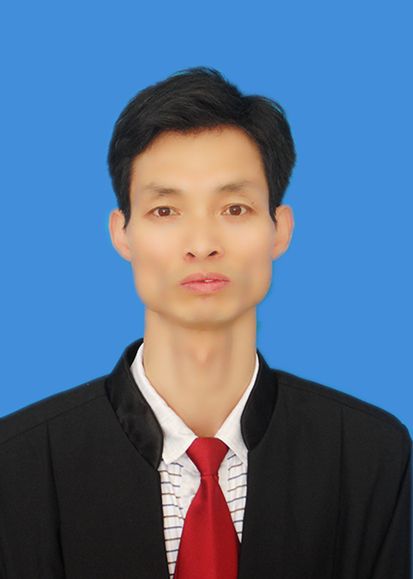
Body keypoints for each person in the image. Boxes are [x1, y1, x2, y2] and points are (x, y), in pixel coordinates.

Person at [0, 67, 410, 579]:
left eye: (234, 208)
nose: (201, 244)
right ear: (121, 233)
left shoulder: (370, 456)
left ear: (279, 230)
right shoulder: (17, 464)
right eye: (165, 210)